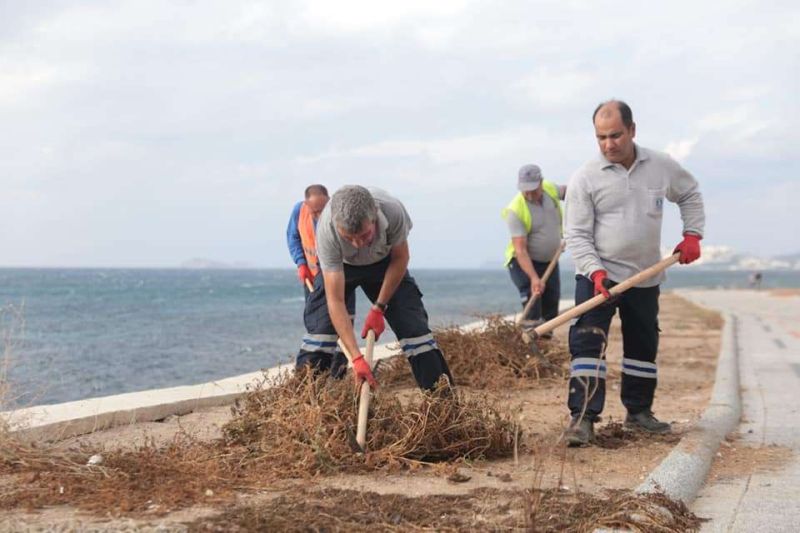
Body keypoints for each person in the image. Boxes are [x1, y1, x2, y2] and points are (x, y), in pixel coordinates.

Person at [563, 100, 705, 446]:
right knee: (588, 345)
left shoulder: (660, 166)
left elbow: (690, 193)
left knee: (643, 345)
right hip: (597, 278)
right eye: (601, 137)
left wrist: (692, 235)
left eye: (615, 135)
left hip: (645, 276)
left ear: (632, 130)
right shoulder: (585, 178)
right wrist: (596, 273)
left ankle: (639, 414)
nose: (608, 144)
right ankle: (582, 419)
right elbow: (577, 235)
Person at [295, 185, 453, 390]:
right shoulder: (327, 230)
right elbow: (335, 300)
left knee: (415, 332)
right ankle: (304, 409)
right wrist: (356, 358)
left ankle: (444, 406)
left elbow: (400, 258)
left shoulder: (392, 211)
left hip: (384, 263)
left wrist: (379, 307)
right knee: (320, 335)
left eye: (364, 235)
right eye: (349, 238)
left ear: (374, 219)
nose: (357, 243)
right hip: (343, 266)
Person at [501, 164, 566, 331]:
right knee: (533, 300)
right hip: (523, 262)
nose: (529, 194)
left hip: (550, 260)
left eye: (533, 189)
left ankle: (546, 344)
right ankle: (530, 346)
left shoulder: (550, 189)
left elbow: (574, 193)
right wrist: (534, 278)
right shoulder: (515, 210)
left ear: (541, 183)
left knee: (551, 303)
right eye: (525, 190)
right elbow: (520, 250)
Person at [286, 184, 330, 298]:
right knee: (313, 313)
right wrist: (301, 263)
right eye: (315, 211)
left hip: (336, 277)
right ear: (307, 205)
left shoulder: (337, 214)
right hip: (312, 277)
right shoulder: (299, 211)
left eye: (323, 210)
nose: (320, 216)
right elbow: (293, 237)